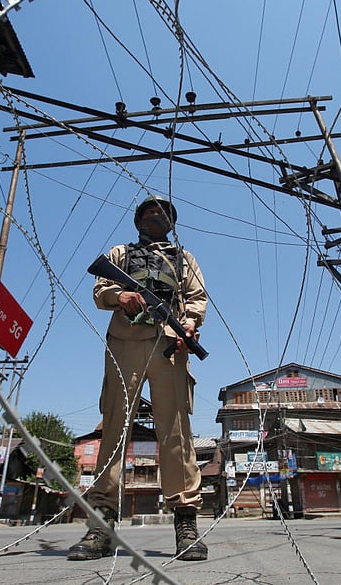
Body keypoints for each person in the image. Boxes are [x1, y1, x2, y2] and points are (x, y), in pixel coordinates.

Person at [68, 196, 209, 561]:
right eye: (147, 211)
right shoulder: (119, 254)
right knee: (114, 430)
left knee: (176, 434)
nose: (153, 215)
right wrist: (123, 294)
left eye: (161, 212)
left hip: (168, 348)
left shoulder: (184, 258)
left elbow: (196, 298)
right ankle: (101, 525)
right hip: (125, 345)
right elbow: (101, 291)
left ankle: (186, 523)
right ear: (137, 221)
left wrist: (189, 324)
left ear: (171, 222)